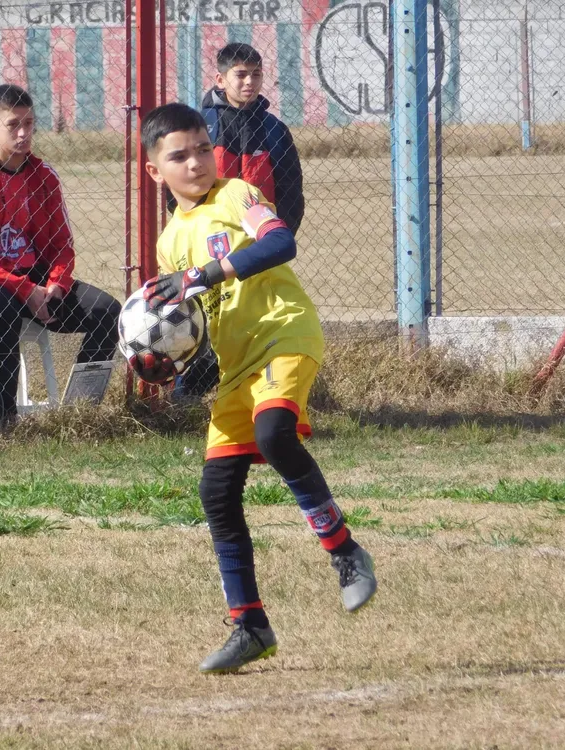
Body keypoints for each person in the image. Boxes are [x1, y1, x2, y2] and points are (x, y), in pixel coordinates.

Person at [136, 103, 377, 674]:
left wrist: (200, 276)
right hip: (237, 367)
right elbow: (192, 324)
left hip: (286, 336)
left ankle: (345, 553)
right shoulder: (170, 242)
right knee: (217, 494)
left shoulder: (237, 194)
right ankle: (250, 626)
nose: (195, 162)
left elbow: (278, 243)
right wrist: (161, 357)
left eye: (202, 148)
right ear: (155, 172)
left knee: (275, 433)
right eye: (179, 155)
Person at [0, 84, 120, 418]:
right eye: (13, 125)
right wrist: (25, 290)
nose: (24, 133)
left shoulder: (44, 177)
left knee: (107, 311)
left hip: (36, 283)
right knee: (4, 309)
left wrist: (56, 284)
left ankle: (79, 412)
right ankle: (2, 416)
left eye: (29, 123)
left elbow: (62, 247)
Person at [177, 42, 306, 399]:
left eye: (256, 74)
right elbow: (178, 187)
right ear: (220, 79)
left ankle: (259, 390)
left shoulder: (275, 131)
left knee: (259, 323)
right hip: (205, 250)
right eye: (241, 74)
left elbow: (291, 195)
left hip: (257, 252)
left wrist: (272, 245)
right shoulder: (199, 127)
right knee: (201, 321)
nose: (249, 82)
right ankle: (187, 394)